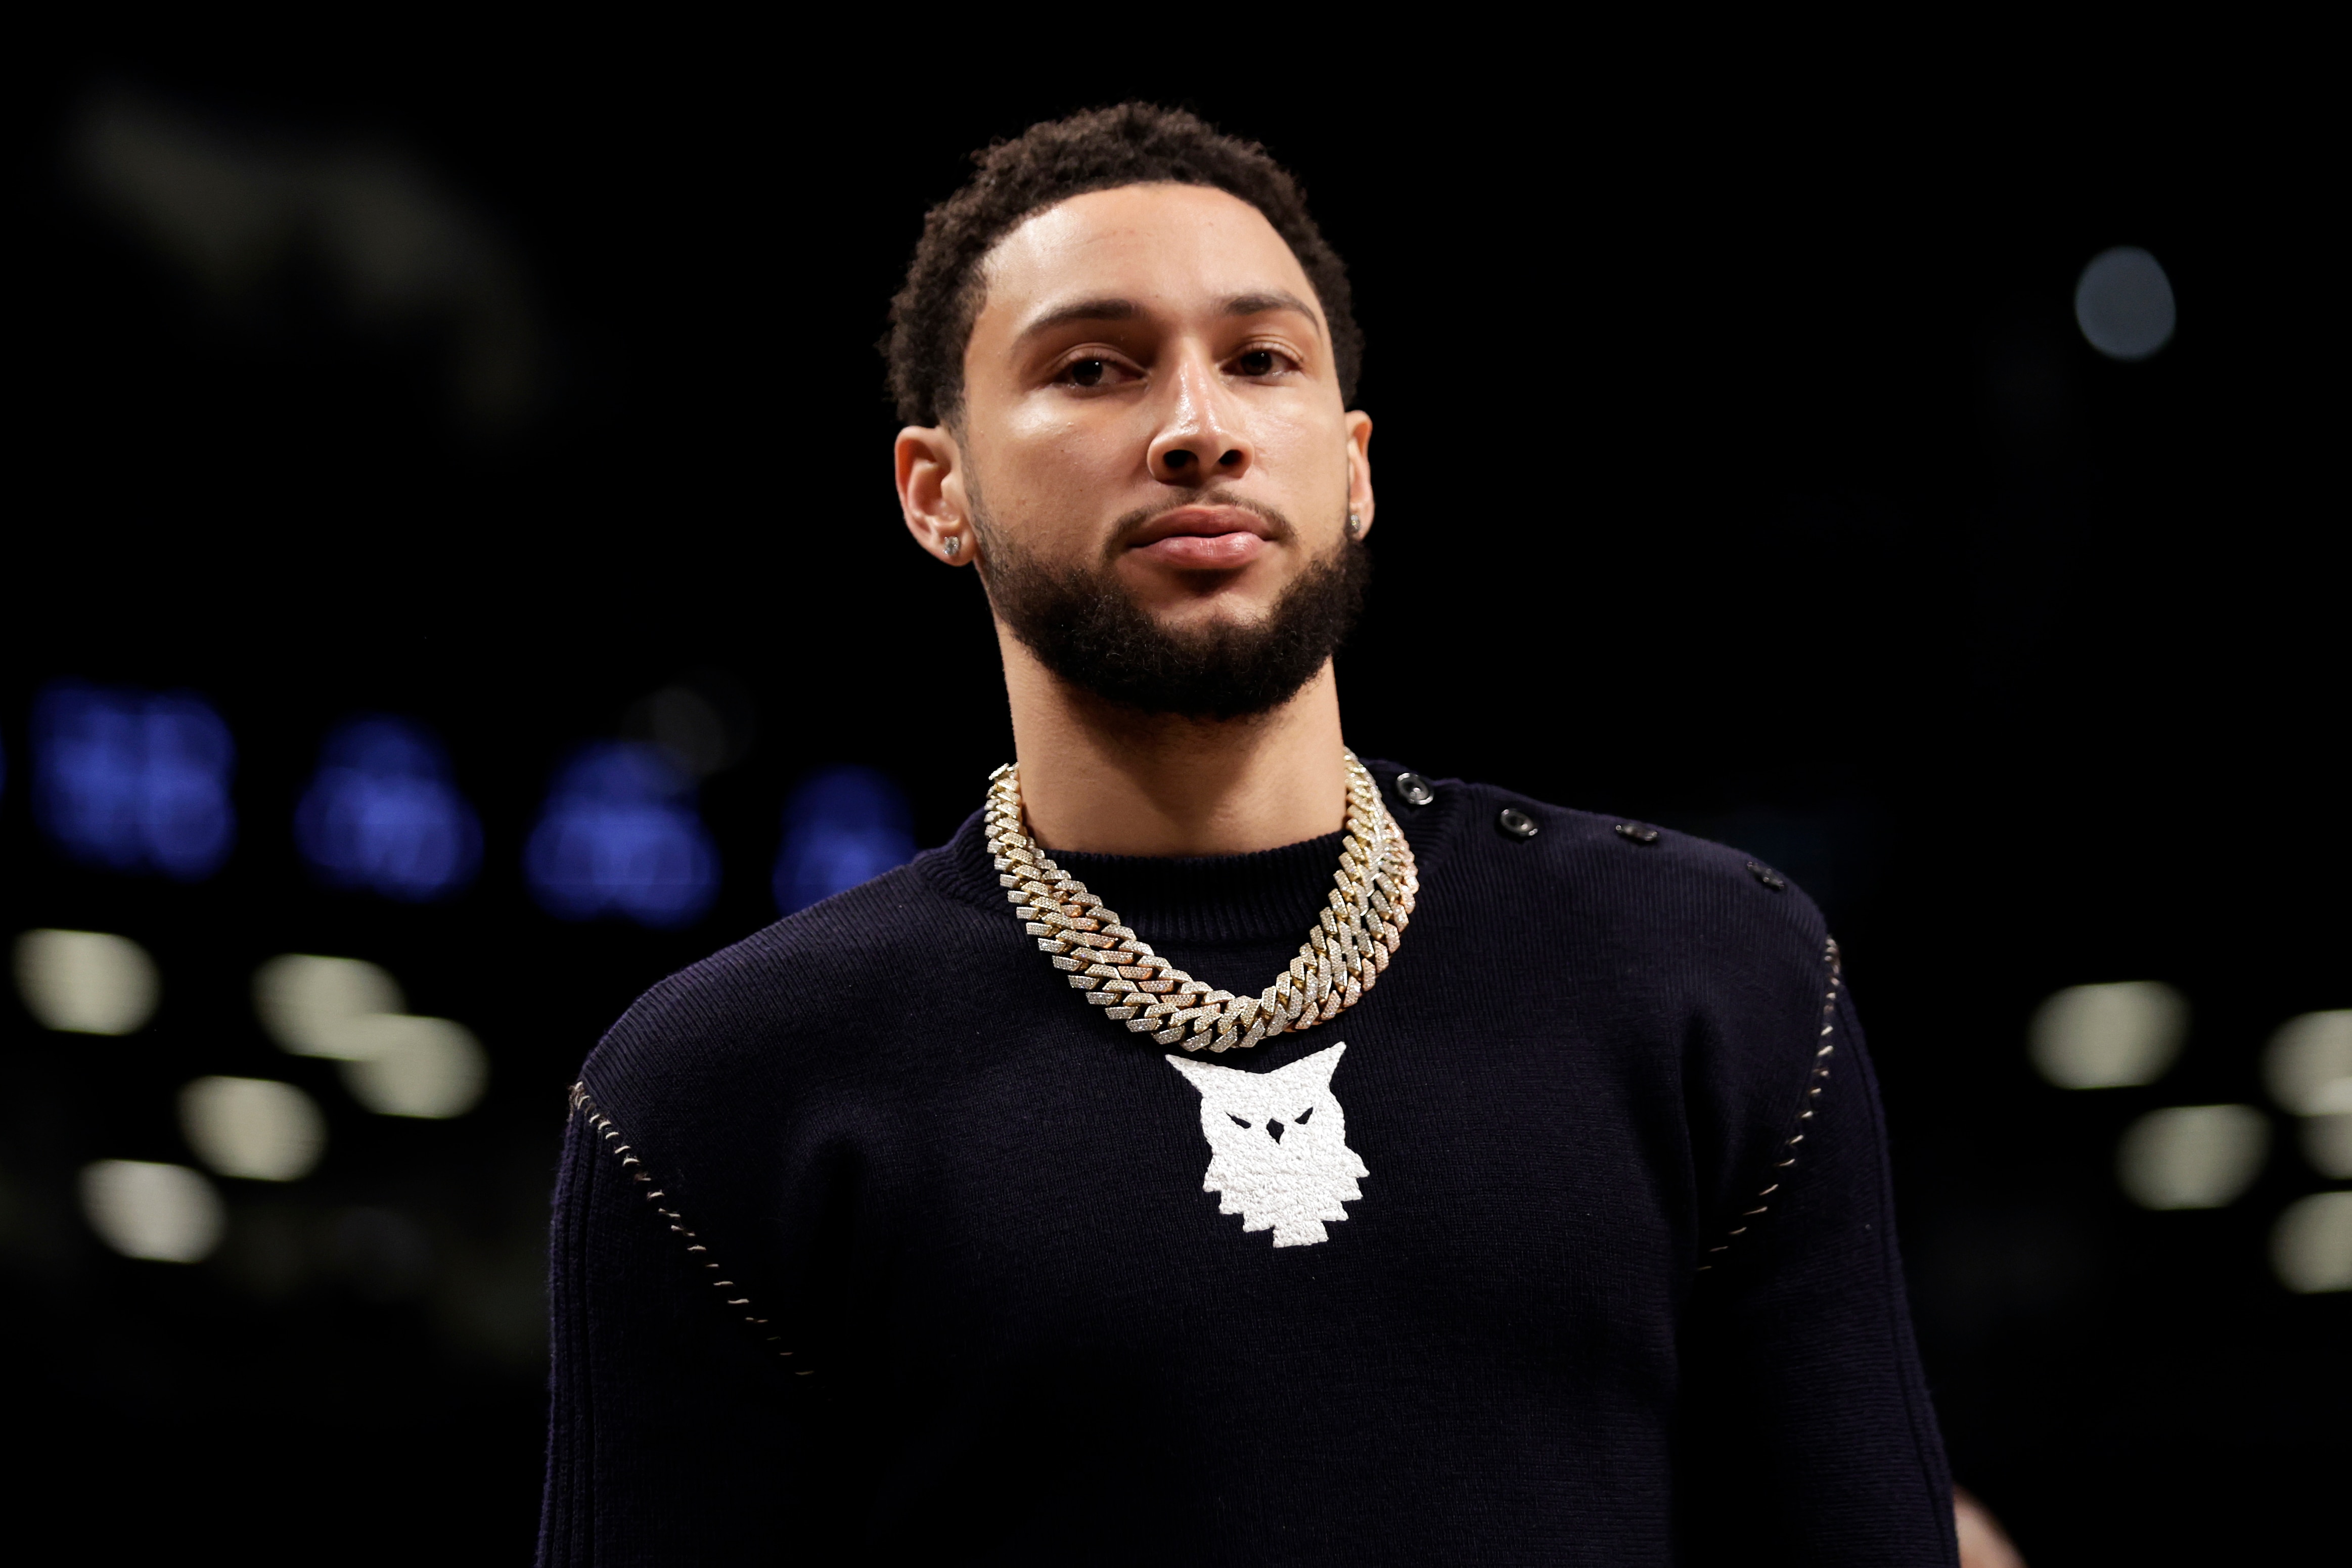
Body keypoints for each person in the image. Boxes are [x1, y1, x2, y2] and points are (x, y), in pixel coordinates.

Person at [538, 103, 1960, 1565]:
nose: (1196, 429)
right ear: (935, 491)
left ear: (1350, 469)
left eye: (1260, 361)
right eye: (1093, 368)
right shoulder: (720, 1090)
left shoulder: (1712, 978)